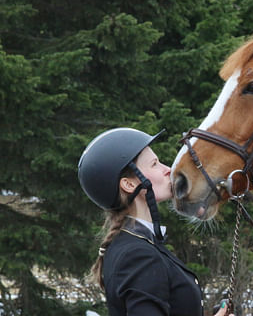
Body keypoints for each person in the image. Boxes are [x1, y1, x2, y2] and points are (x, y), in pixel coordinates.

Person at [78, 127, 233, 316]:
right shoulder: (137, 255)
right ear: (129, 184)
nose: (168, 170)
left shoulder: (139, 244)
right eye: (154, 164)